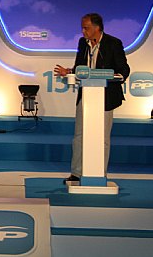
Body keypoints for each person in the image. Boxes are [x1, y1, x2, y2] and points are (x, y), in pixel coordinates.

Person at [54, 13, 130, 184]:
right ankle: (76, 173)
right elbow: (79, 68)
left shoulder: (113, 43)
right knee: (79, 135)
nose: (83, 31)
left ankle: (99, 172)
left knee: (103, 138)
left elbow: (124, 68)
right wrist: (69, 72)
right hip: (86, 96)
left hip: (106, 96)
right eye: (82, 28)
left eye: (86, 28)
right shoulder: (83, 43)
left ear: (97, 28)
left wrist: (117, 76)